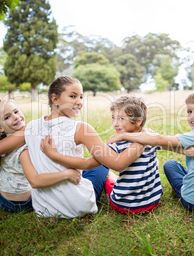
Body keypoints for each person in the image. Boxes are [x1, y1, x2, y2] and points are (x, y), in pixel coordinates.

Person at [41, 94, 194, 214]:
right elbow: (175, 146)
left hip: (125, 206)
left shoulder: (119, 145)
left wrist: (55, 155)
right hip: (154, 200)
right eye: (113, 117)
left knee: (101, 172)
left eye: (121, 118)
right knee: (169, 165)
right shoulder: (150, 136)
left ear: (138, 121)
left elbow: (88, 164)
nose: (115, 123)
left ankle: (109, 188)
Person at [20, 76, 147, 218]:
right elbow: (117, 163)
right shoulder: (79, 128)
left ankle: (108, 177)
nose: (79, 102)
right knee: (101, 164)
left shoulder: (30, 127)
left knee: (92, 161)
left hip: (43, 209)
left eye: (81, 97)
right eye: (73, 96)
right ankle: (111, 181)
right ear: (55, 99)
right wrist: (142, 139)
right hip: (76, 206)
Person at [107, 89, 194, 214]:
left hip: (193, 203)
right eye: (189, 111)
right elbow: (171, 146)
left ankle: (186, 192)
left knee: (169, 165)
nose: (192, 116)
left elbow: (160, 140)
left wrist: (123, 136)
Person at [0, 98, 32, 213]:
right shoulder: (26, 139)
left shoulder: (1, 145)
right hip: (26, 202)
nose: (15, 117)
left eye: (16, 112)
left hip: (5, 202)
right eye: (7, 117)